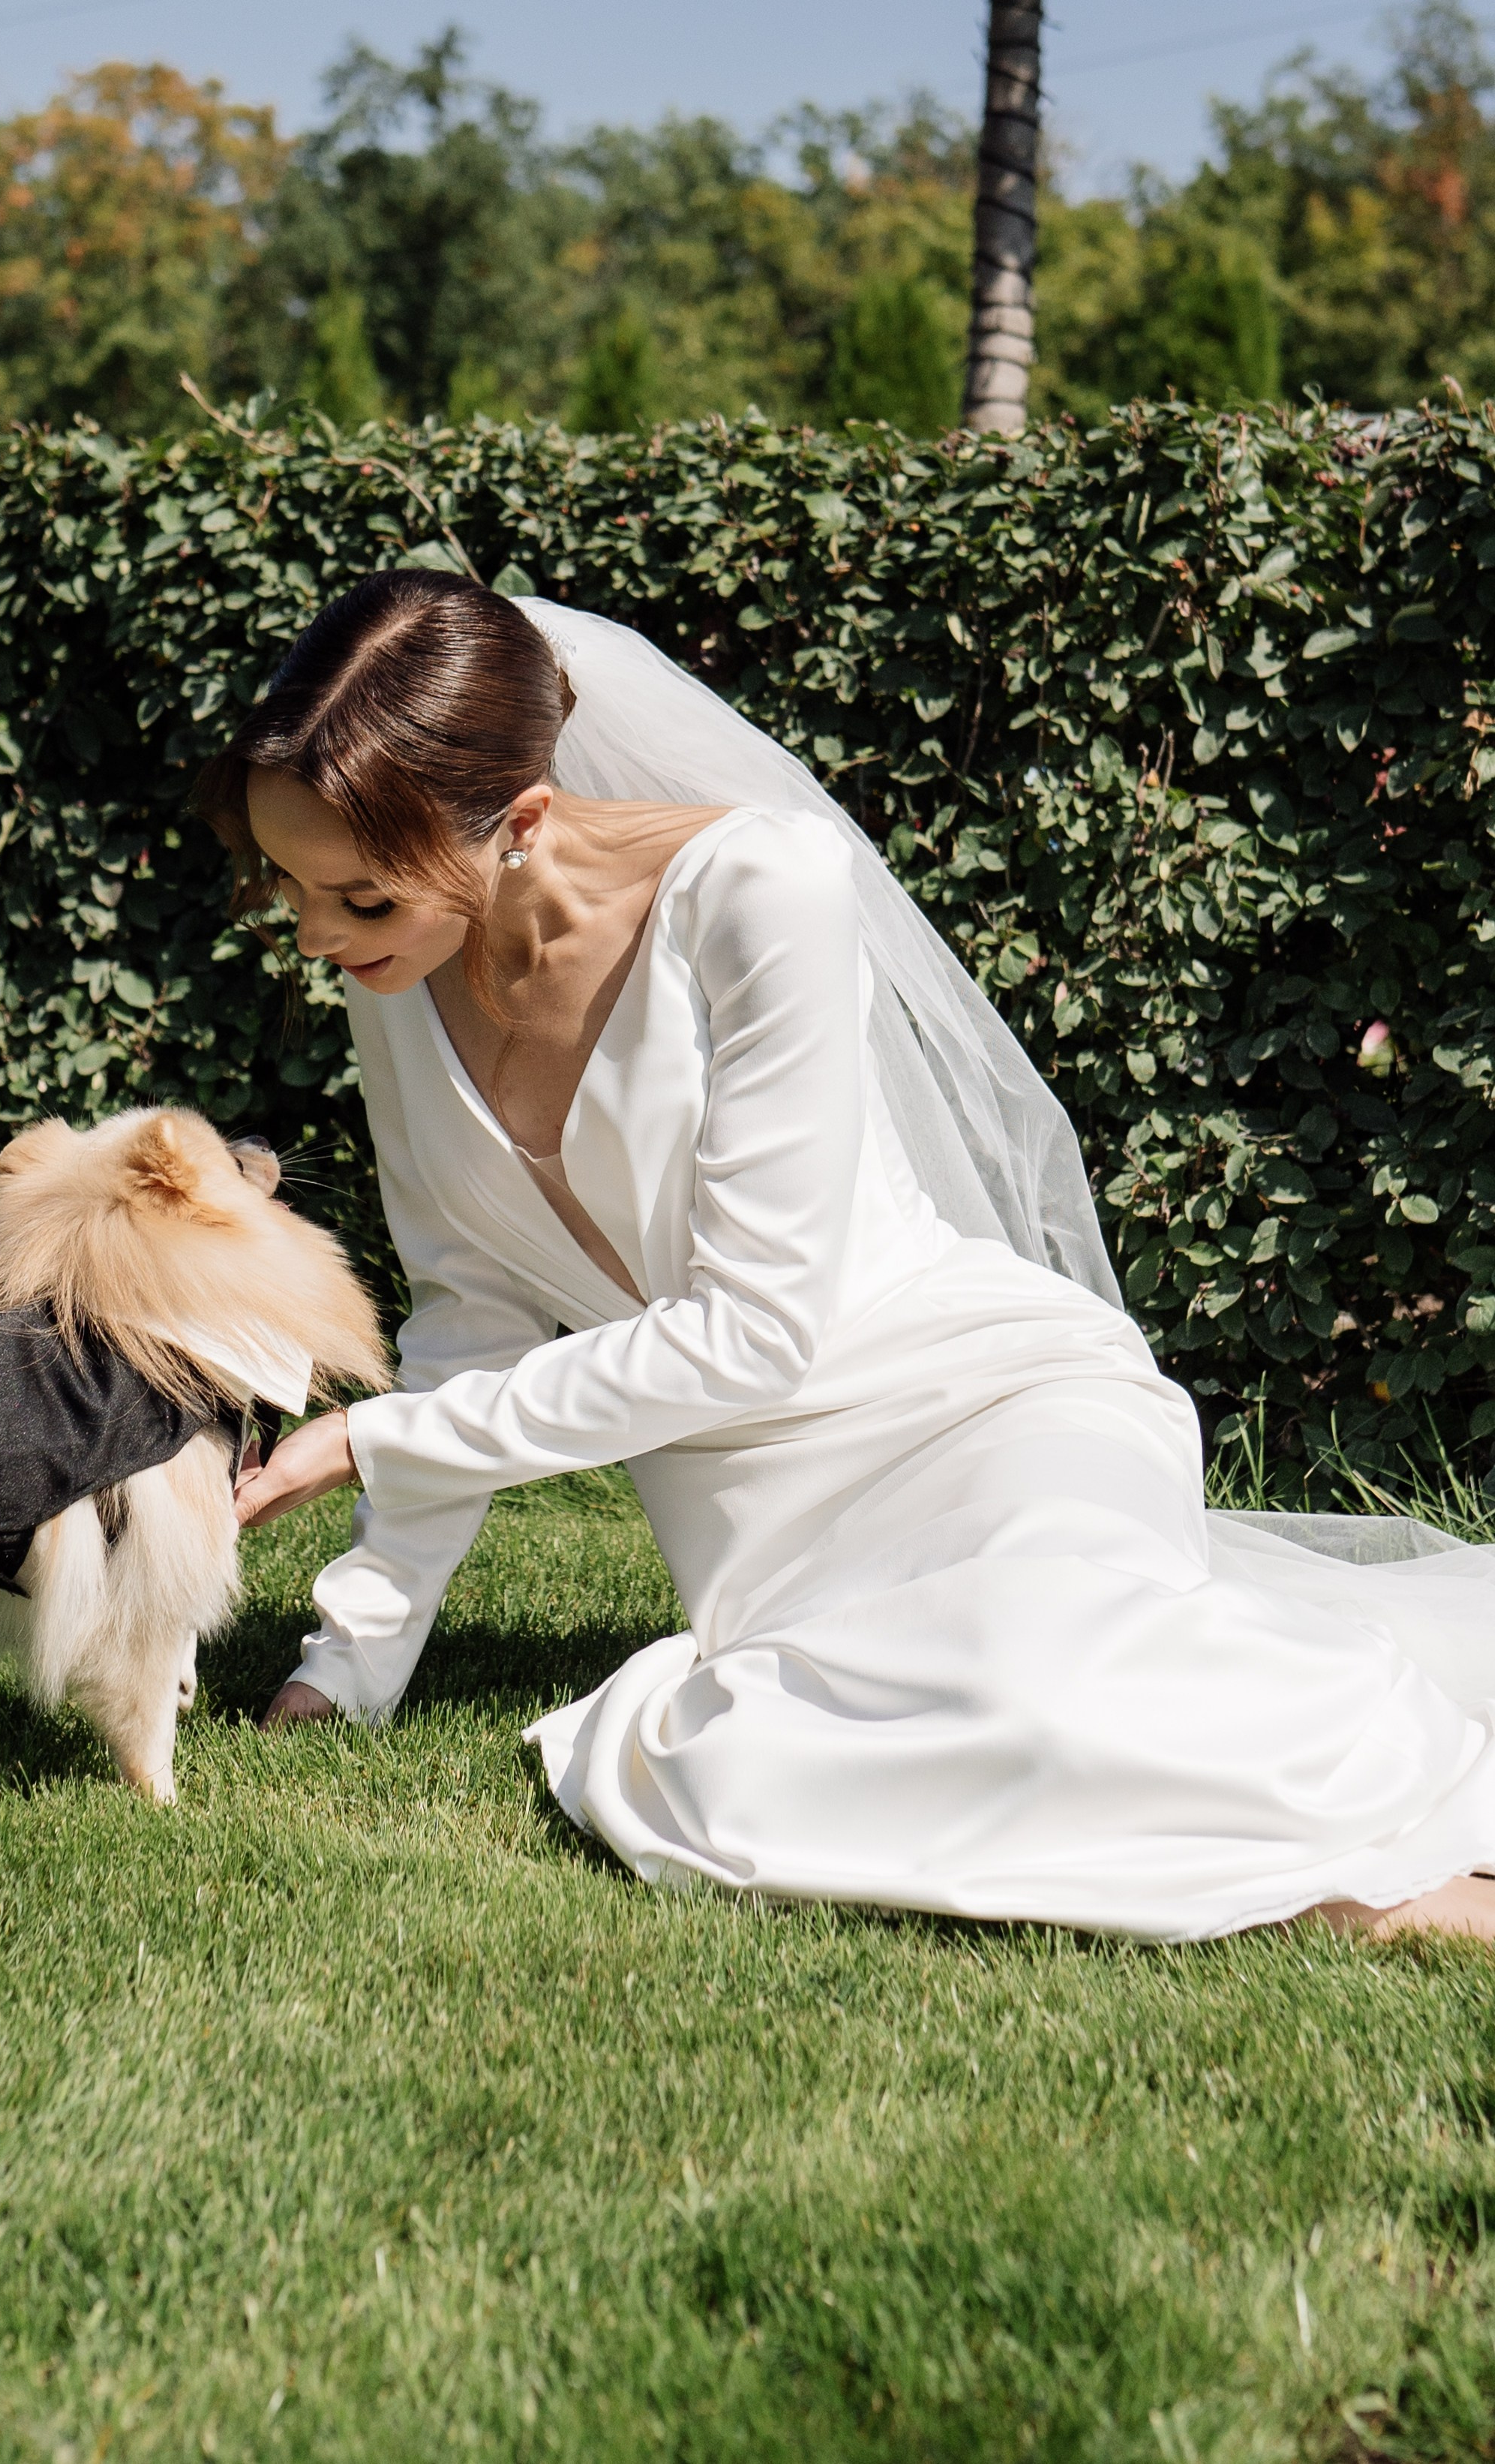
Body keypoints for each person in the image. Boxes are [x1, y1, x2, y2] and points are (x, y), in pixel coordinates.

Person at [194, 572, 1495, 1944]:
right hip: (760, 1522)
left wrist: (374, 1439)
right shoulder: (399, 984)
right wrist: (353, 1658)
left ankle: (1405, 1897)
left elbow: (757, 1331)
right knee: (744, 1766)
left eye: (357, 898)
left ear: (519, 823)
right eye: (288, 884)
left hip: (985, 1406)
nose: (317, 937)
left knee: (1051, 1677)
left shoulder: (760, 887)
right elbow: (471, 1305)